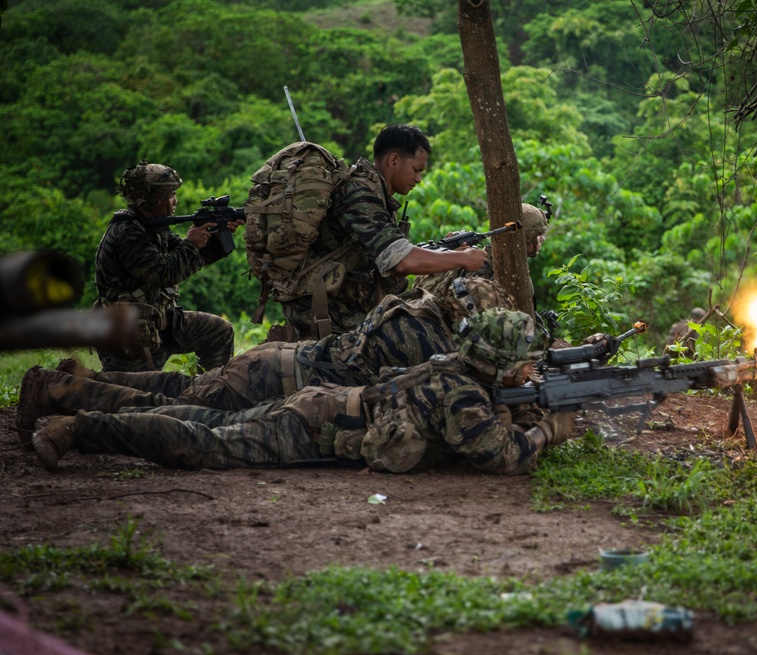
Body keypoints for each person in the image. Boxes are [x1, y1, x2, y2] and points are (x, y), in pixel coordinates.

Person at [32, 309, 576, 475]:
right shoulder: (463, 394)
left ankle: (66, 398)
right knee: (199, 441)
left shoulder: (452, 365)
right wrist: (548, 428)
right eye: (523, 363)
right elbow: (500, 456)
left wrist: (525, 404)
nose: (529, 371)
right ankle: (77, 427)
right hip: (317, 425)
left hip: (319, 403)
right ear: (498, 363)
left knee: (194, 411)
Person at [14, 277, 516, 442]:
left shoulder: (410, 309)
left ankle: (76, 381)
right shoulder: (422, 338)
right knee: (182, 406)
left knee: (178, 390)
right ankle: (63, 396)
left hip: (277, 361)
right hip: (275, 378)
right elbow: (447, 385)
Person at [281, 124, 488, 339]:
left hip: (349, 307)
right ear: (394, 161)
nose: (418, 179)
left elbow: (393, 264)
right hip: (330, 314)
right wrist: (462, 259)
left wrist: (446, 252)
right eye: (416, 169)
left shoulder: (377, 194)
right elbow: (401, 262)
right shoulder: (359, 194)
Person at [95, 161, 237, 372]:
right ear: (152, 200)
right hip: (130, 337)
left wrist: (215, 238)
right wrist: (191, 242)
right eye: (169, 196)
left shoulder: (156, 228)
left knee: (220, 332)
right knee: (140, 398)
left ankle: (210, 390)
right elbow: (164, 273)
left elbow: (189, 259)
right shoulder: (127, 233)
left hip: (162, 324)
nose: (175, 201)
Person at [412, 202, 548, 297]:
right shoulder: (488, 272)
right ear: (524, 239)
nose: (542, 239)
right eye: (538, 235)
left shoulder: (478, 259)